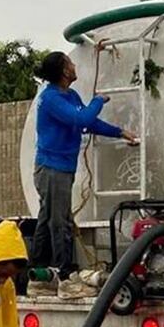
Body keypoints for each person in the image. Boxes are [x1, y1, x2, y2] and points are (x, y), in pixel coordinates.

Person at [31, 51, 137, 298]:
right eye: (70, 63)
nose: (74, 65)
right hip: (51, 168)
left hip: (62, 168)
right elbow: (83, 117)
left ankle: (37, 278)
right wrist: (98, 100)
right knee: (60, 222)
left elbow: (88, 123)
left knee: (47, 221)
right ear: (64, 71)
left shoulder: (69, 95)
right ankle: (67, 278)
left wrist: (119, 132)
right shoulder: (51, 98)